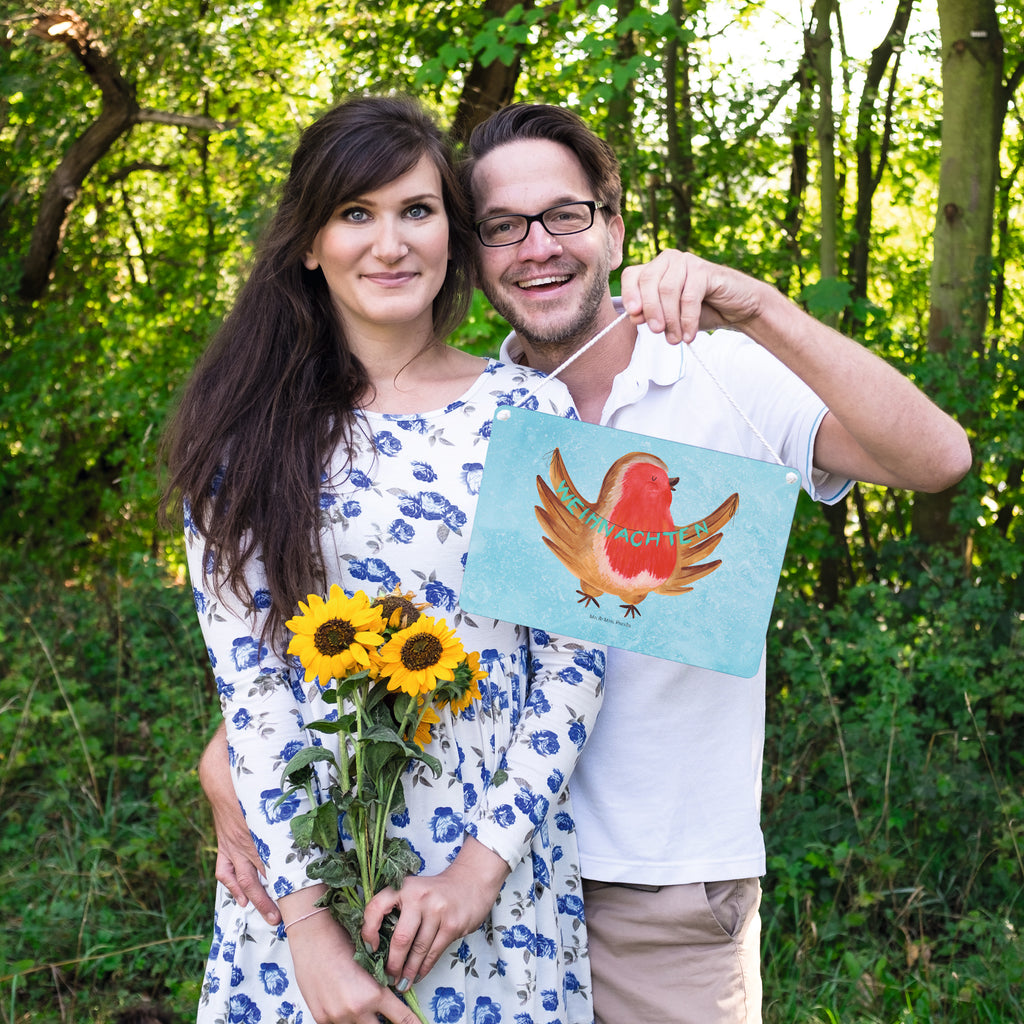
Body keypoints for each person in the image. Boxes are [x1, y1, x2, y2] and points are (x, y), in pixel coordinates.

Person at [202, 102, 972, 1024]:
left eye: (565, 215)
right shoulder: (458, 416)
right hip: (419, 875)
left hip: (650, 887)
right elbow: (337, 632)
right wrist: (234, 772)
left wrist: (760, 306)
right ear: (474, 250)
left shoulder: (706, 375)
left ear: (612, 225)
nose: (537, 247)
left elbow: (937, 461)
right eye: (502, 226)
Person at [163, 96, 608, 1024]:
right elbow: (253, 691)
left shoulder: (532, 416)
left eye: (417, 210)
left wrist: (478, 874)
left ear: (452, 230)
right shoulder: (244, 438)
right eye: (355, 214)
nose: (391, 243)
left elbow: (572, 662)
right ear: (309, 244)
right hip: (303, 883)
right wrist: (311, 937)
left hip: (492, 884)